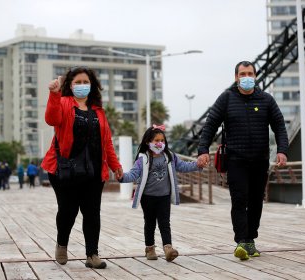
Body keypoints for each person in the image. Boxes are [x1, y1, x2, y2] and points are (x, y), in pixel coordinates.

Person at [197, 61, 288, 261]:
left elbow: (279, 126)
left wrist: (282, 150)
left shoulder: (266, 100)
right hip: (236, 159)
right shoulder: (226, 99)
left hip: (260, 160)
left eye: (250, 73)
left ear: (255, 76)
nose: (246, 77)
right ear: (236, 77)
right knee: (239, 200)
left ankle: (250, 239)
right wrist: (203, 150)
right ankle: (241, 241)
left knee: (256, 201)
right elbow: (210, 124)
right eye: (242, 74)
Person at [41, 66, 123, 269]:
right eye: (77, 82)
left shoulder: (98, 111)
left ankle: (92, 254)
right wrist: (53, 94)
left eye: (85, 82)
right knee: (68, 210)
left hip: (93, 171)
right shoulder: (63, 102)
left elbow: (107, 142)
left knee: (92, 212)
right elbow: (51, 119)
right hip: (65, 169)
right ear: (70, 85)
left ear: (92, 85)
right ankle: (62, 244)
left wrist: (115, 165)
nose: (82, 85)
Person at [119, 125, 202, 262]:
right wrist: (122, 177)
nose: (159, 143)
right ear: (148, 142)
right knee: (150, 223)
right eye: (156, 140)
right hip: (147, 197)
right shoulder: (143, 159)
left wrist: (197, 165)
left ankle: (168, 248)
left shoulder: (169, 156)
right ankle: (150, 248)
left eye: (162, 140)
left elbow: (183, 166)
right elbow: (133, 174)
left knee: (164, 222)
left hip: (164, 196)